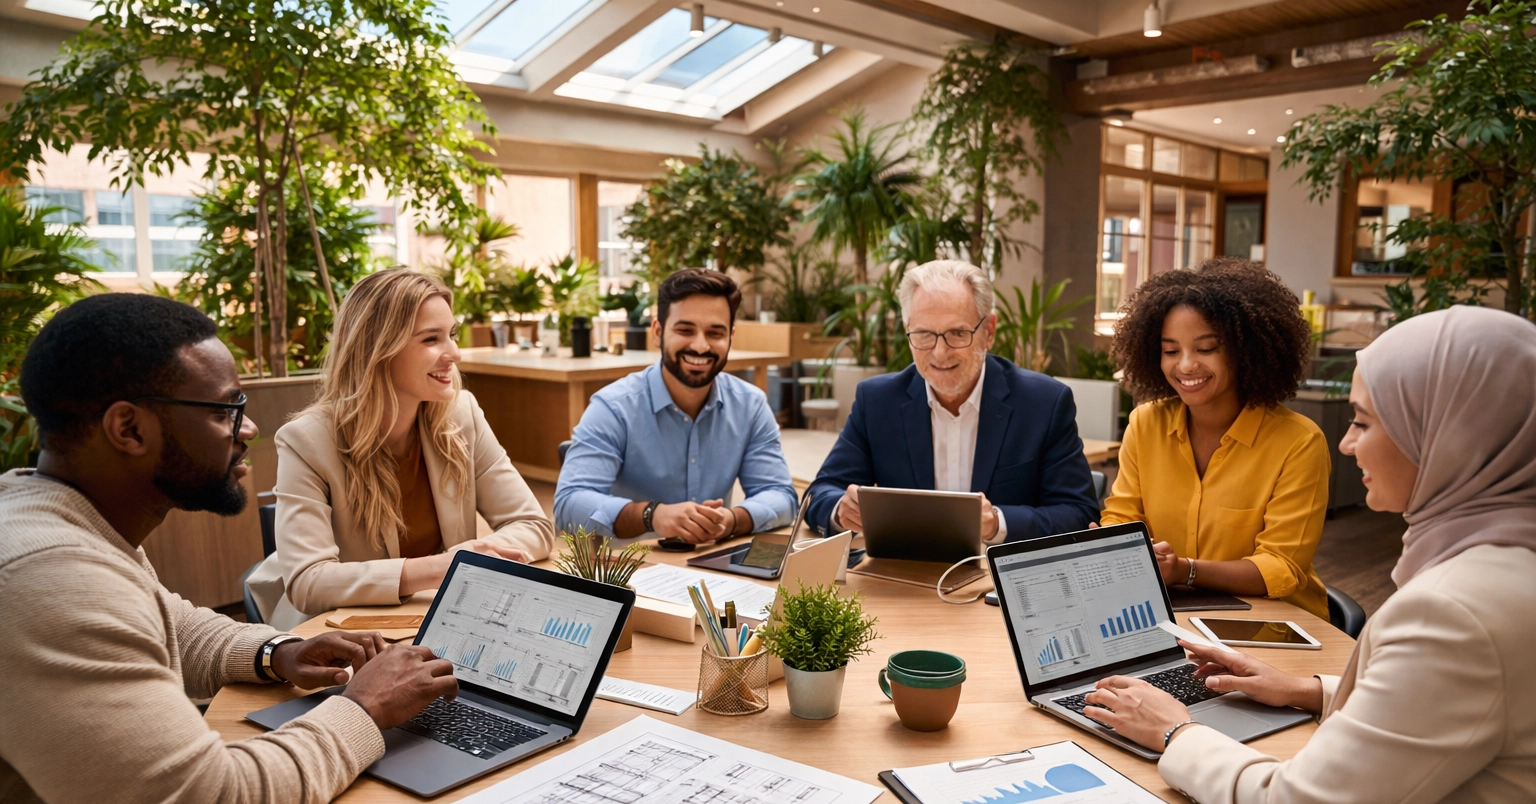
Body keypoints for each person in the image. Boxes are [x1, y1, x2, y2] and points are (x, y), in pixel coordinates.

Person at [0, 293, 460, 804]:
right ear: (129, 427)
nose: (248, 428)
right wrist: (361, 709)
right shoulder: (48, 577)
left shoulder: (56, 516)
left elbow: (172, 626)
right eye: (224, 410)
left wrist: (282, 651)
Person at [1082, 305, 1536, 804]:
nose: (1349, 445)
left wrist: (1175, 731)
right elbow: (1474, 709)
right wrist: (1312, 690)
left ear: (1444, 432)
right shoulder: (1506, 565)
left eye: (1363, 421)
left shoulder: (1456, 610)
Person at [269, 267, 554, 621]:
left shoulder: (461, 414)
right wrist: (441, 568)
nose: (455, 353)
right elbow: (308, 582)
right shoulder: (307, 440)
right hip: (346, 638)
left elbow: (534, 525)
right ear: (378, 350)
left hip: (444, 623)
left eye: (452, 334)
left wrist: (470, 560)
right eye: (431, 339)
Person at [1099, 258, 1331, 618]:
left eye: (1205, 349)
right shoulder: (1146, 425)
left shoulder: (1298, 442)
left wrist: (1185, 570)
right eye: (1171, 350)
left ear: (1244, 350)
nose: (1186, 365)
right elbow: (1123, 517)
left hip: (1273, 624)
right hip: (1172, 617)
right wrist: (1110, 545)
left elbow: (1281, 567)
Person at [805, 259, 1098, 541]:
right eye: (923, 335)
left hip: (999, 582)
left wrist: (997, 522)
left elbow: (1079, 514)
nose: (940, 353)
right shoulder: (878, 401)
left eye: (958, 333)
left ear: (989, 331)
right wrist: (841, 510)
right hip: (903, 578)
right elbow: (819, 494)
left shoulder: (1043, 403)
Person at [554, 267, 797, 543]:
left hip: (711, 569)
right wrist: (653, 515)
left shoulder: (750, 405)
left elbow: (782, 497)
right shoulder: (613, 407)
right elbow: (568, 505)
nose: (701, 346)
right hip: (629, 571)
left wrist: (731, 520)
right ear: (657, 332)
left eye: (715, 333)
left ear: (731, 337)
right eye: (685, 330)